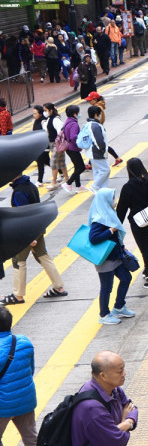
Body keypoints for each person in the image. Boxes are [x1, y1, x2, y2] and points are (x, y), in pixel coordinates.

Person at [4, 174, 68, 305]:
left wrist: (29, 237)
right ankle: (59, 287)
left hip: (27, 232)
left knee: (18, 260)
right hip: (38, 226)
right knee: (43, 256)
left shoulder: (19, 192)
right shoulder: (30, 185)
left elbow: (24, 216)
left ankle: (18, 295)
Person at [116, 158, 148, 290]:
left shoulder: (127, 187)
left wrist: (116, 227)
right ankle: (147, 271)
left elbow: (121, 210)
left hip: (139, 224)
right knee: (147, 250)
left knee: (145, 251)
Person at [88, 189, 135, 324]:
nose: (114, 200)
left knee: (126, 278)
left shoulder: (108, 213)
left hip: (116, 255)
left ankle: (119, 306)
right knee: (106, 287)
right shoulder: (99, 219)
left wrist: (121, 245)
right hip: (105, 259)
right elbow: (93, 238)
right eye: (112, 197)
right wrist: (111, 230)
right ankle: (104, 315)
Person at [70, 351, 138, 445]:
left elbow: (132, 408)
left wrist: (126, 422)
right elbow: (117, 440)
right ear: (103, 376)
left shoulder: (114, 389)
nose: (124, 374)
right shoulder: (92, 409)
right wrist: (126, 422)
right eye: (120, 371)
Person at [0, 307, 38, 445]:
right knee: (31, 436)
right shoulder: (24, 341)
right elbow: (31, 370)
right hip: (26, 400)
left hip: (2, 406)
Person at [83, 92, 123, 166]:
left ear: (95, 100)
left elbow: (99, 119)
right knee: (99, 145)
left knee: (95, 145)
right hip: (98, 128)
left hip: (97, 128)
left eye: (90, 100)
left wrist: (95, 125)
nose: (89, 102)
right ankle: (117, 158)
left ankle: (90, 165)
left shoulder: (97, 108)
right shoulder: (98, 106)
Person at [60, 104, 85, 194]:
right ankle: (68, 183)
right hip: (73, 148)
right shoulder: (74, 124)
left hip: (68, 148)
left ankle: (78, 186)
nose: (79, 114)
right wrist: (79, 145)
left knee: (77, 166)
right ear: (75, 114)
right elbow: (73, 137)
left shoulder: (67, 121)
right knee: (81, 167)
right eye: (78, 113)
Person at [42, 104, 66, 189]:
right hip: (52, 143)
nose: (44, 112)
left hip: (57, 144)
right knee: (60, 162)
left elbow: (61, 132)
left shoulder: (56, 120)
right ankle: (66, 178)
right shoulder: (49, 119)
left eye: (45, 110)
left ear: (51, 110)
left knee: (53, 162)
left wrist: (59, 145)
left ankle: (54, 182)